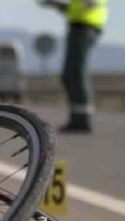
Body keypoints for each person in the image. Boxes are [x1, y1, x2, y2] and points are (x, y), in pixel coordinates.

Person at [39, 0, 108, 133]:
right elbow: (76, 8)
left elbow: (90, 4)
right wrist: (57, 5)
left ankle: (82, 120)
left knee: (76, 74)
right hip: (79, 27)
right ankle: (76, 118)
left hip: (85, 28)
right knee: (69, 76)